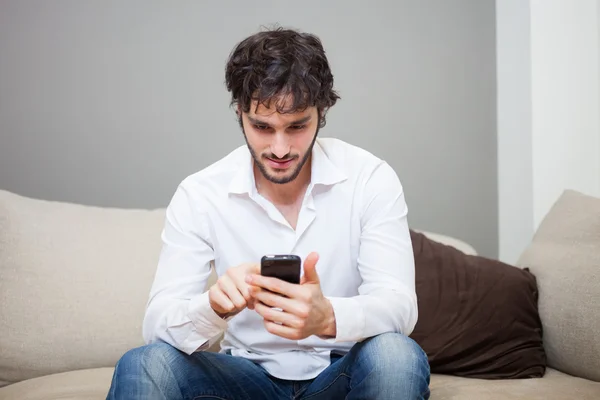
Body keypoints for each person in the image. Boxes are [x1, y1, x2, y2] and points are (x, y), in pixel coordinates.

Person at [107, 27, 430, 400]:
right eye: (262, 127)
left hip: (340, 374)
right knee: (144, 362)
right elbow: (157, 325)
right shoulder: (200, 194)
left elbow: (399, 306)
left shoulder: (369, 179)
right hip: (243, 380)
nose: (279, 148)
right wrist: (212, 305)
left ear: (321, 112)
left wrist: (327, 317)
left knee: (396, 355)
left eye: (297, 126)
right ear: (240, 113)